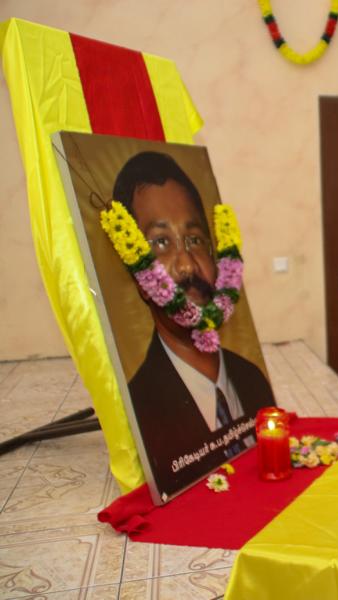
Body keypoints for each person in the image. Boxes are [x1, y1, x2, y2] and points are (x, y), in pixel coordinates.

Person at [113, 151, 274, 500]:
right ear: (137, 272)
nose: (187, 265)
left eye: (195, 239)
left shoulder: (253, 380)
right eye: (161, 242)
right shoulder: (142, 408)